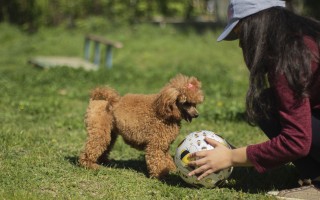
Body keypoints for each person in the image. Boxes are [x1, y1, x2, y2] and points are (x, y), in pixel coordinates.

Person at [188, 0, 320, 199]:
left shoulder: (288, 57)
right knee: (267, 101)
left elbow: (296, 140)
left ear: (258, 25)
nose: (242, 44)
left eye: (242, 34)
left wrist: (232, 157)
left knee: (264, 105)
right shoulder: (306, 35)